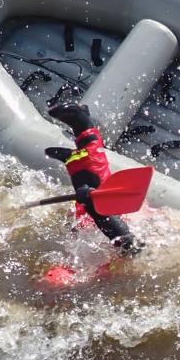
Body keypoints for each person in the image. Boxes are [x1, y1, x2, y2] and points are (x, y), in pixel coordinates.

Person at [43, 102, 142, 257]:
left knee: (85, 210)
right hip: (122, 217)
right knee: (98, 201)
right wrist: (95, 208)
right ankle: (84, 130)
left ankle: (75, 160)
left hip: (93, 226)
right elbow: (132, 247)